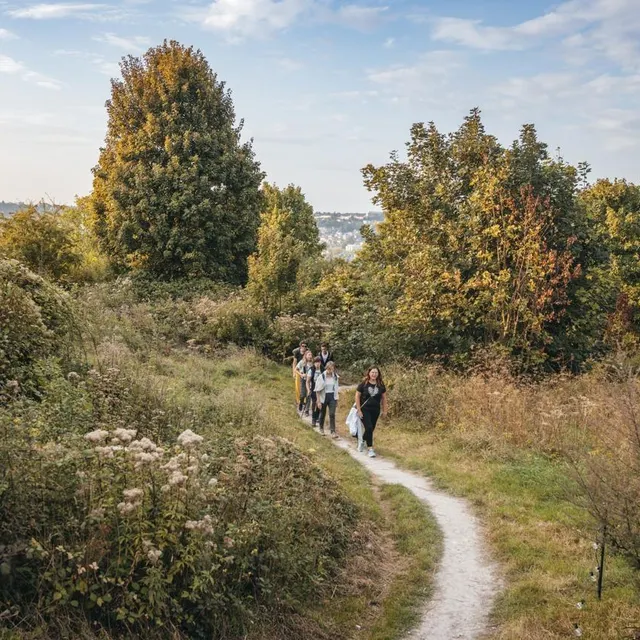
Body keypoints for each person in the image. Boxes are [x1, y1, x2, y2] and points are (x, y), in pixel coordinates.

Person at [355, 366, 387, 457]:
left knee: (371, 429)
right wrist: (359, 410)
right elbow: (357, 396)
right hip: (365, 409)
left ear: (378, 374)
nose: (374, 374)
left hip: (375, 410)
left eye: (376, 373)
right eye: (372, 372)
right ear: (369, 373)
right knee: (368, 427)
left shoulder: (381, 384)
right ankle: (370, 449)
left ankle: (362, 440)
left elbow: (384, 398)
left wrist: (385, 411)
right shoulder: (364, 384)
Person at [315, 361, 339, 438]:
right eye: (328, 368)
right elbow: (317, 390)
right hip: (323, 397)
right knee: (323, 413)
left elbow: (336, 389)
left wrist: (336, 400)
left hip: (332, 397)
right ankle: (321, 428)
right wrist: (318, 401)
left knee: (332, 414)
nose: (330, 370)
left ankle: (333, 431)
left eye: (331, 369)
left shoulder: (335, 377)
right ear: (326, 368)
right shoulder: (321, 377)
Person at [296, 349, 314, 415]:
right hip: (303, 380)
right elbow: (296, 369)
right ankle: (301, 403)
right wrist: (301, 374)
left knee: (308, 394)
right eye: (309, 355)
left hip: (310, 381)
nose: (310, 356)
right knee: (303, 394)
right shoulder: (302, 362)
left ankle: (306, 410)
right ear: (306, 356)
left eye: (311, 355)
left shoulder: (313, 363)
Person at [307, 356, 323, 429]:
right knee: (314, 404)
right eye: (316, 362)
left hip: (322, 390)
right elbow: (307, 382)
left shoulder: (323, 370)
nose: (317, 364)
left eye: (318, 362)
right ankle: (313, 419)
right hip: (313, 390)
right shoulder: (311, 370)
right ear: (314, 363)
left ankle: (318, 417)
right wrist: (308, 390)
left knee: (320, 405)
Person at [292, 341, 307, 407]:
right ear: (300, 346)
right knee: (297, 386)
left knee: (305, 386)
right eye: (302, 346)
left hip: (305, 371)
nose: (304, 347)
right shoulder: (297, 352)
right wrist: (294, 372)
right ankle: (298, 400)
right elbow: (294, 363)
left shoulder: (307, 352)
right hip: (298, 370)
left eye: (305, 346)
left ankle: (304, 400)